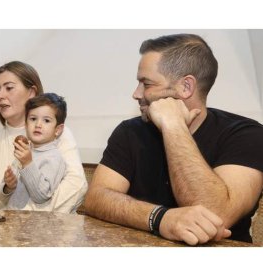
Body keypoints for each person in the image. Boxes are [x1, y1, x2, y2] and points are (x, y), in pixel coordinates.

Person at [84, 33, 263, 245]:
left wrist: (174, 125)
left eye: (146, 84)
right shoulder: (129, 132)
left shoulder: (247, 134)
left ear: (186, 87)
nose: (136, 93)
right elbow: (96, 198)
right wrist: (160, 218)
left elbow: (214, 215)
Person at [0, 61, 87, 213]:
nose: (0, 96)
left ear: (31, 92)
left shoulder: (57, 136)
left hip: (44, 230)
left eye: (9, 88)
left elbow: (76, 186)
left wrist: (24, 218)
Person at [0, 93, 67, 210]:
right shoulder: (24, 152)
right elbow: (2, 197)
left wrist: (28, 163)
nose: (38, 125)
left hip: (34, 224)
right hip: (12, 219)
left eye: (46, 120)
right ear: (26, 125)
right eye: (33, 119)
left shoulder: (54, 158)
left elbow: (41, 196)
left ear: (58, 130)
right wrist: (8, 186)